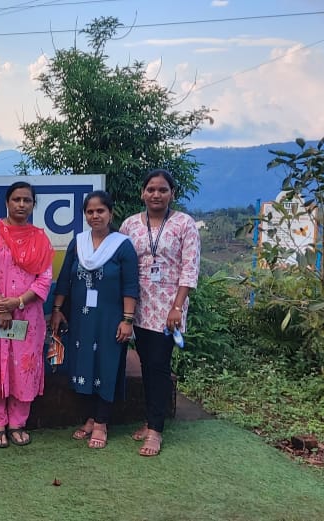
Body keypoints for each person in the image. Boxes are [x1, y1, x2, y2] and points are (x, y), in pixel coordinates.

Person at [119, 169, 201, 457]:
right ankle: (150, 420)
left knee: (159, 363)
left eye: (163, 190)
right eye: (151, 189)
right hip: (138, 304)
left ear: (172, 194)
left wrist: (177, 306)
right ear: (143, 193)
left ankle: (156, 430)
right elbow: (122, 263)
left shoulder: (184, 224)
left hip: (168, 307)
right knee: (146, 363)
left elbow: (190, 268)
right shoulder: (130, 224)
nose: (156, 195)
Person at [48, 191, 139, 449]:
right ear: (85, 215)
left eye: (100, 211)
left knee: (106, 365)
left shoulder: (122, 245)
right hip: (81, 318)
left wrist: (127, 320)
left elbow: (130, 285)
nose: (95, 215)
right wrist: (57, 309)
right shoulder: (78, 243)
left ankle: (101, 422)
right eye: (90, 211)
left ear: (111, 213)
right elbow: (64, 280)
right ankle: (90, 418)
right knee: (83, 364)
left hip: (110, 318)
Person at [0, 181, 54, 448]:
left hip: (28, 316)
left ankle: (18, 423)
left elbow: (44, 279)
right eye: (16, 199)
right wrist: (2, 306)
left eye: (27, 200)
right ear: (7, 202)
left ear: (33, 204)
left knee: (24, 368)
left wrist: (17, 302)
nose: (21, 204)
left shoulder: (40, 238)